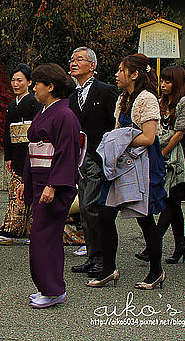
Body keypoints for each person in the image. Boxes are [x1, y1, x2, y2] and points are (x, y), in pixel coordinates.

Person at [88, 53, 166, 290]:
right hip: (123, 162)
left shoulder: (147, 99)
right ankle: (109, 268)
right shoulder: (123, 98)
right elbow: (118, 130)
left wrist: (120, 140)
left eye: (122, 70)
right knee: (105, 213)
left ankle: (156, 271)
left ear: (135, 74)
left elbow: (149, 137)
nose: (117, 74)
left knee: (145, 218)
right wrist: (117, 142)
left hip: (145, 163)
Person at [15, 63, 81, 308]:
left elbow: (66, 154)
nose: (33, 88)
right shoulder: (46, 111)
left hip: (53, 183)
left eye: (37, 83)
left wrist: (53, 185)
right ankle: (48, 287)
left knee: (46, 237)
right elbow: (33, 151)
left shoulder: (65, 115)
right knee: (43, 236)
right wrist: (27, 180)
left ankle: (53, 290)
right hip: (40, 178)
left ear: (50, 87)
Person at [135, 65, 185, 264]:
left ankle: (153, 242)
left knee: (173, 197)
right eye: (162, 80)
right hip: (165, 150)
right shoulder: (162, 100)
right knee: (173, 200)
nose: (163, 84)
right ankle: (181, 244)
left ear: (177, 82)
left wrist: (161, 153)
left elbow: (180, 132)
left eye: (168, 81)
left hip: (180, 155)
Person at [68, 47, 118, 277]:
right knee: (86, 211)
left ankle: (101, 257)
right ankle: (91, 255)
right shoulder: (71, 95)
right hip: (79, 159)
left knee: (91, 206)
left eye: (79, 59)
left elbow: (115, 125)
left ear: (92, 65)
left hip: (98, 157)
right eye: (72, 59)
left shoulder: (105, 91)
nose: (73, 63)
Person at [0, 64, 41, 245]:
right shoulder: (12, 105)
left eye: (20, 80)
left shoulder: (35, 103)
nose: (15, 84)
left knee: (33, 193)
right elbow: (7, 132)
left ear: (29, 82)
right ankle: (11, 229)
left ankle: (31, 231)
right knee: (16, 192)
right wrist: (8, 156)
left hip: (31, 150)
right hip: (16, 151)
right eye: (13, 80)